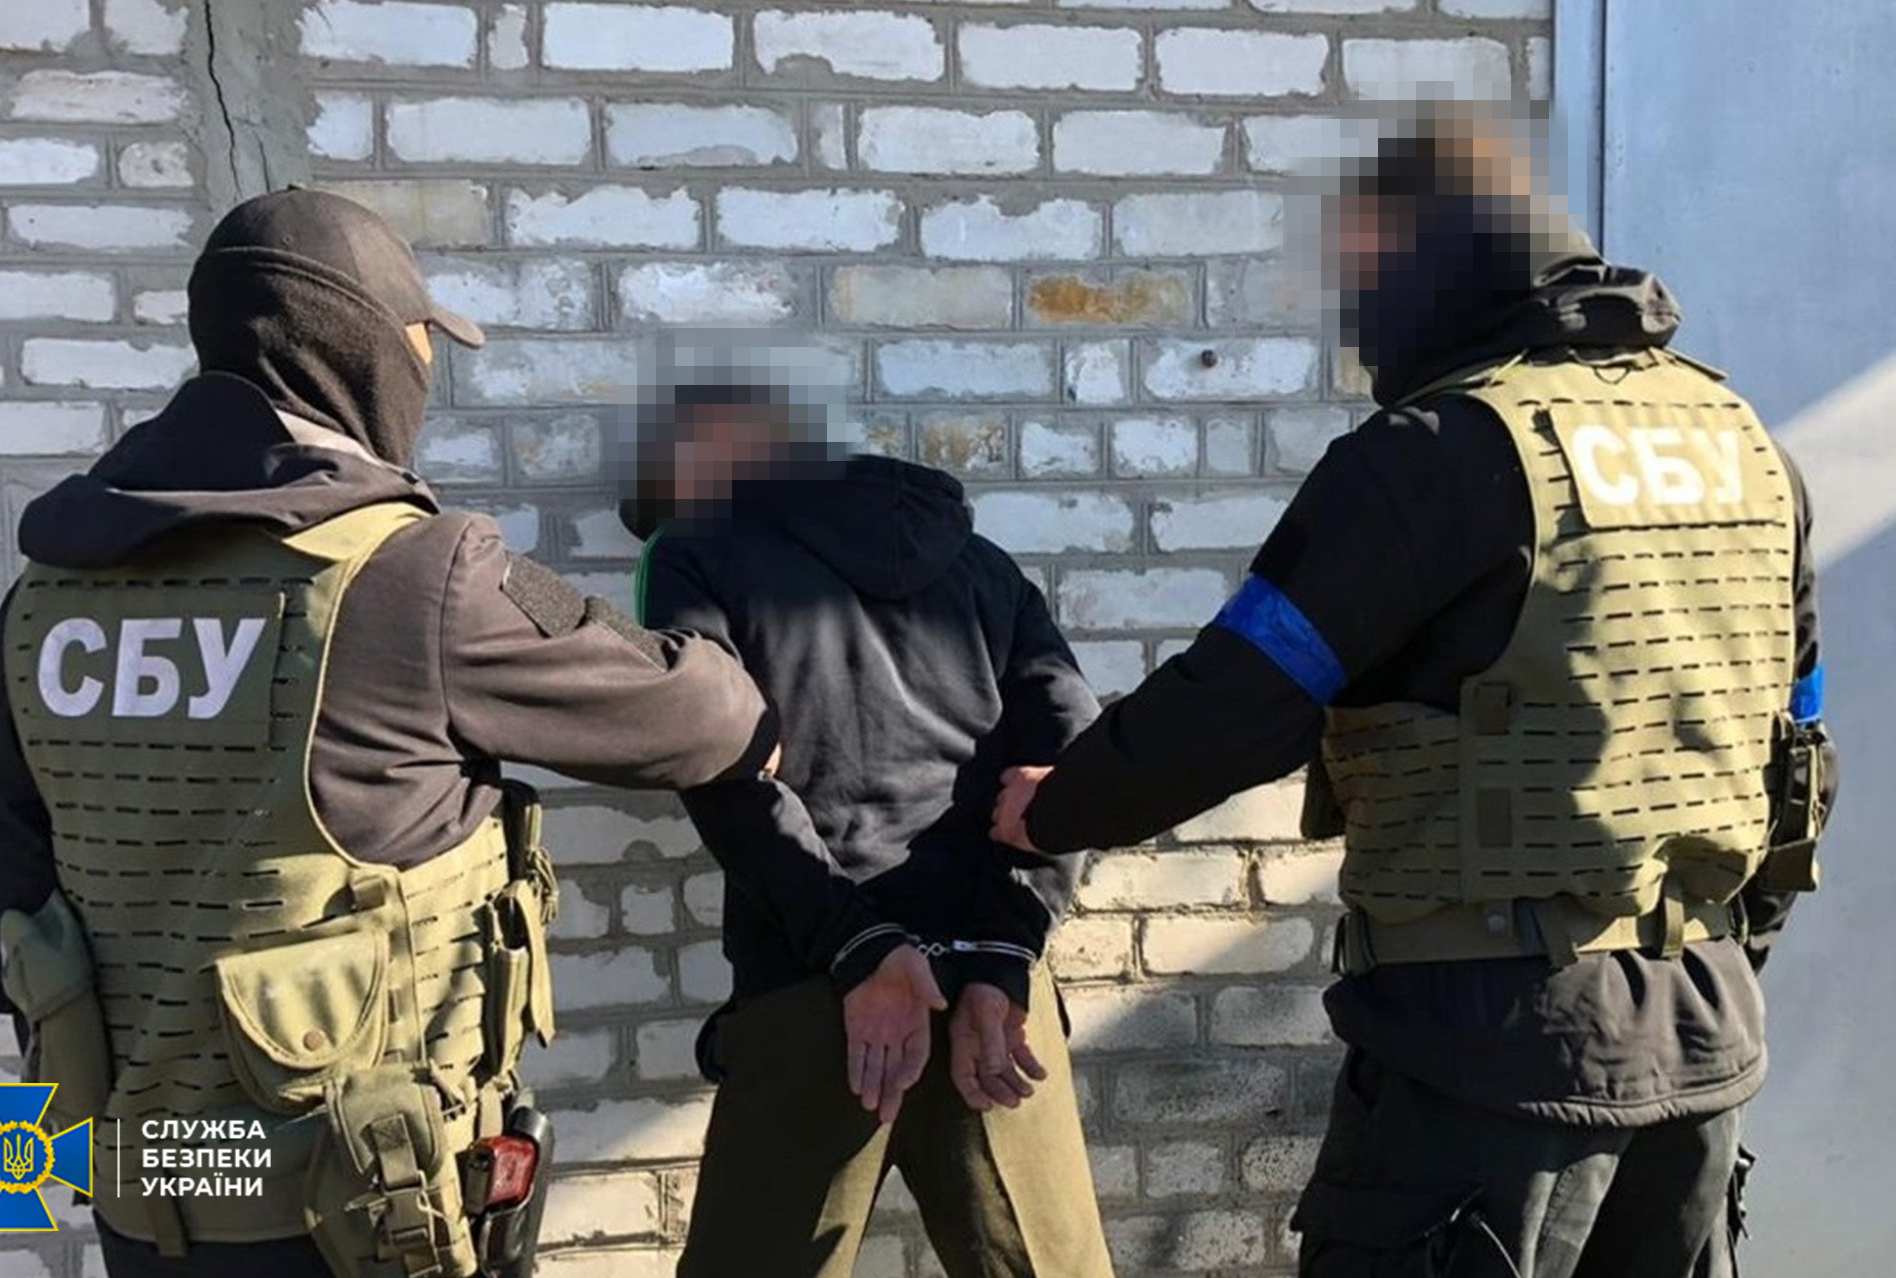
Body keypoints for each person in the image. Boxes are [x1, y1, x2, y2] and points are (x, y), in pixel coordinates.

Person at [992, 116, 1836, 1277]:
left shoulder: (1433, 451)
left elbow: (1241, 697)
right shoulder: (1744, 446)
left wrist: (1054, 808)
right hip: (1702, 1039)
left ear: (1425, 254)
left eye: (1359, 268)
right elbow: (1796, 750)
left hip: (1483, 1058)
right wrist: (1713, 955)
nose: (1350, 310)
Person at [0, 188, 779, 1278]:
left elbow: (2, 938)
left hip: (148, 1201)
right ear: (360, 346)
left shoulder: (47, 599)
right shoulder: (406, 574)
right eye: (422, 340)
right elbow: (700, 715)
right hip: (365, 1216)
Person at [625, 382, 1116, 1278]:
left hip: (818, 990)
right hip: (988, 996)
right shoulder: (984, 564)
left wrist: (860, 947)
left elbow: (720, 767)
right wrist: (1003, 950)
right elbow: (1070, 764)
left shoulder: (690, 550)